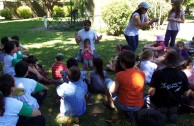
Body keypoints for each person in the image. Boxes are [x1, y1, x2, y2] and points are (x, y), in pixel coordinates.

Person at [148, 47, 190, 124]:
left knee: (147, 98)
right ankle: (172, 112)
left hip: (159, 103)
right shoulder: (182, 74)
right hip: (175, 103)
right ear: (178, 62)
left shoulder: (158, 73)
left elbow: (151, 92)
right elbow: (186, 94)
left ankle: (161, 112)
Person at [109, 51, 145, 119]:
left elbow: (111, 90)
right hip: (138, 106)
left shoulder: (120, 75)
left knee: (108, 84)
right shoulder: (142, 74)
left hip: (124, 105)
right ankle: (130, 112)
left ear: (122, 64)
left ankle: (111, 105)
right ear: (134, 63)